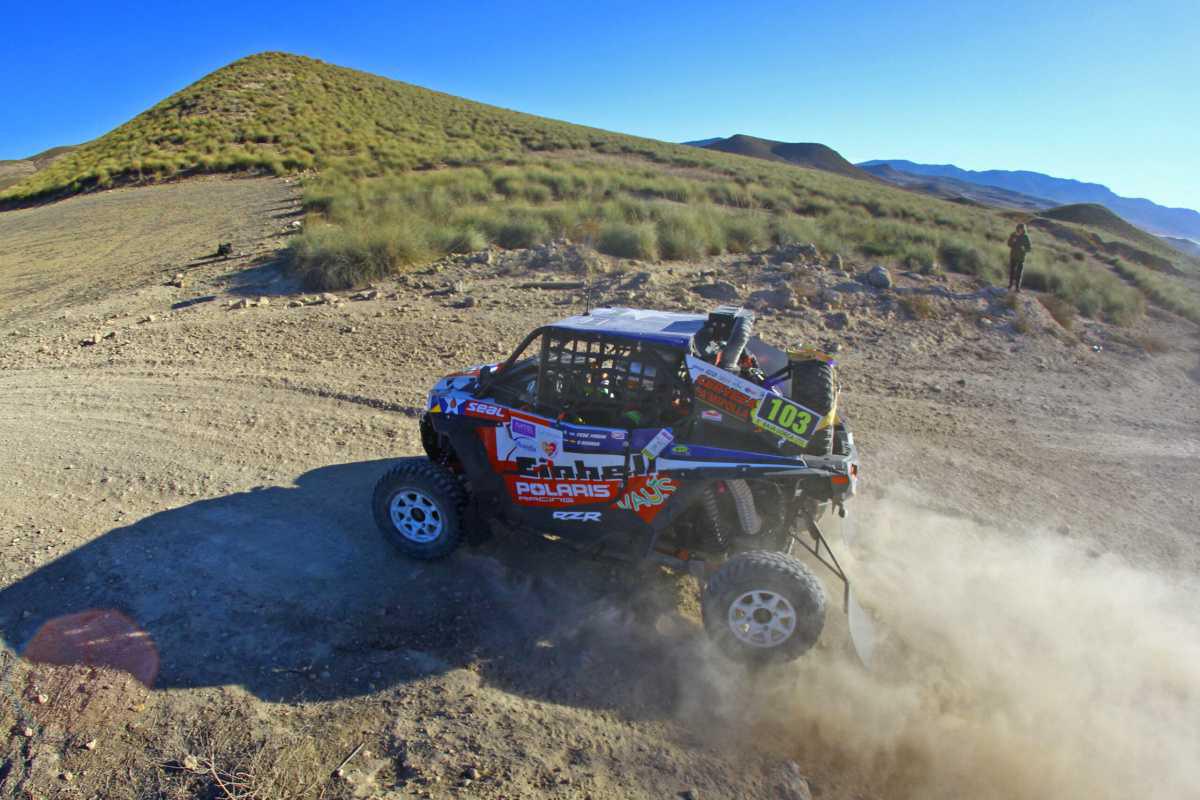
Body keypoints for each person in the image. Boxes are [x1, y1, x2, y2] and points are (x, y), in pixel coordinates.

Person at [1007, 223, 1032, 291]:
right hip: (1013, 256)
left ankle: (1017, 287)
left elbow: (1029, 248)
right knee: (1012, 272)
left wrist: (1024, 249)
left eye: (1022, 228)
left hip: (1021, 258)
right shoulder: (1013, 235)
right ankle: (1010, 285)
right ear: (1017, 228)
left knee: (1019, 273)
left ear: (1024, 229)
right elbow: (1009, 244)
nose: (1020, 230)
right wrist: (1012, 241)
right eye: (1019, 228)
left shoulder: (1026, 237)